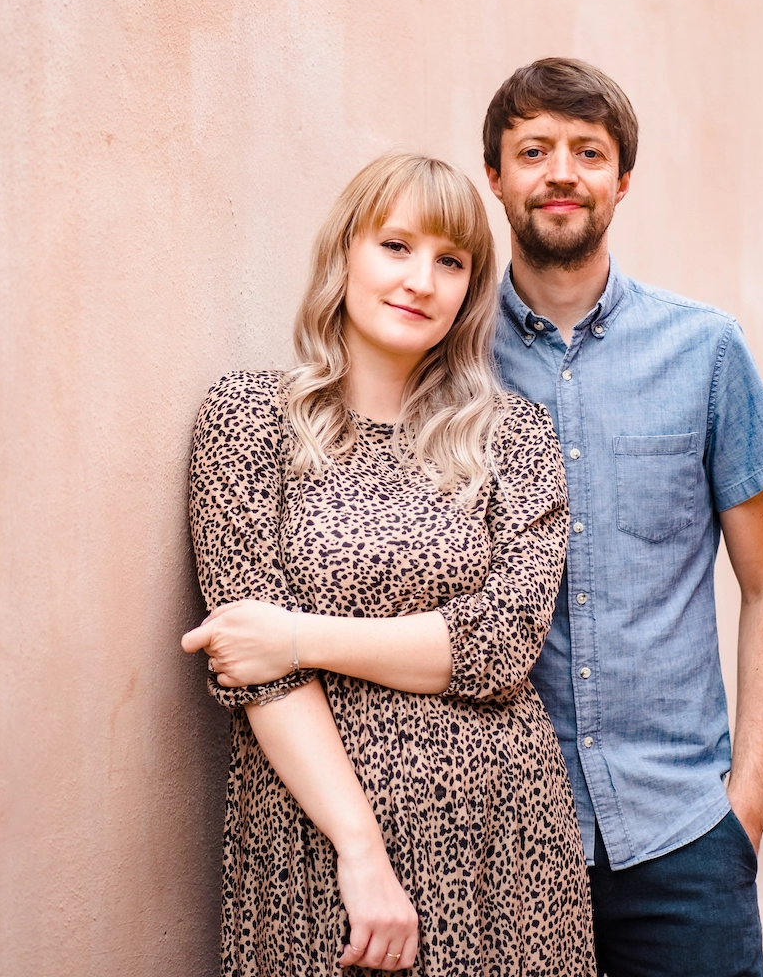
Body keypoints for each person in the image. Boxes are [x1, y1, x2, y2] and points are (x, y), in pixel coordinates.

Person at [180, 152, 594, 976]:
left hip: (501, 840)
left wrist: (297, 636)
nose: (421, 280)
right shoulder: (247, 420)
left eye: (450, 262)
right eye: (396, 246)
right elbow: (252, 668)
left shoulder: (513, 436)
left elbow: (503, 645)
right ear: (344, 254)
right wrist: (359, 850)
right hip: (313, 836)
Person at [482, 58, 763, 977]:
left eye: (588, 151)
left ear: (622, 181)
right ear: (497, 177)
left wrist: (748, 804)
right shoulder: (451, 365)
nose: (560, 173)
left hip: (684, 836)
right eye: (533, 149)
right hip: (506, 837)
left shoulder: (706, 351)